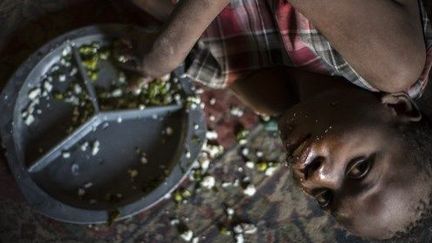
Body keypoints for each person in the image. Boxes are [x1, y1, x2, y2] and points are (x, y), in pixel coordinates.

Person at [117, 0, 432, 240]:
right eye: (359, 168)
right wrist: (167, 49)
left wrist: (151, 40)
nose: (317, 176)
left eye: (326, 197)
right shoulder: (395, 63)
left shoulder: (271, 96)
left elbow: (188, 23)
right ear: (398, 109)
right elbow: (179, 39)